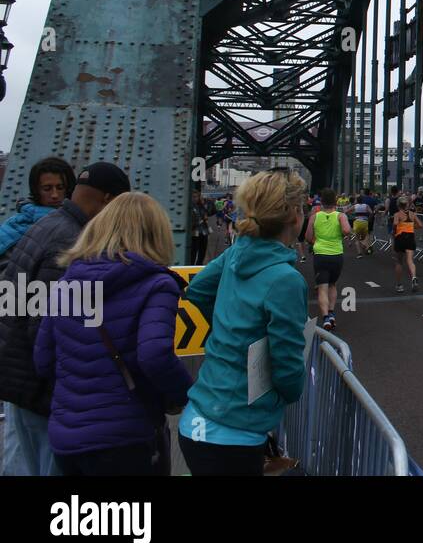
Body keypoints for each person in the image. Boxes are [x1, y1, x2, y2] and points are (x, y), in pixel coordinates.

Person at [34, 192, 192, 475]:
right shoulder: (156, 284)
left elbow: (43, 360)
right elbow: (154, 355)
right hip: (126, 436)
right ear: (155, 233)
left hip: (67, 438)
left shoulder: (68, 282)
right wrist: (185, 394)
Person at [0, 161, 131, 477]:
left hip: (19, 377)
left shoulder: (45, 225)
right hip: (43, 390)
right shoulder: (71, 242)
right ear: (108, 200)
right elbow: (48, 328)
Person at [179, 170, 309, 475]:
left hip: (197, 418)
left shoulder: (237, 251)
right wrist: (291, 390)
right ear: (292, 214)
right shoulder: (286, 280)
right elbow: (287, 365)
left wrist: (227, 331)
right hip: (234, 432)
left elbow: (197, 290)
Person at [0, 157, 75, 258]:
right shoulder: (17, 225)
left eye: (60, 188)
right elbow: (18, 272)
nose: (55, 195)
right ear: (36, 190)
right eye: (47, 189)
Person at [306, 188, 351, 330]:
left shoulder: (315, 216)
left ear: (321, 202)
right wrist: (341, 235)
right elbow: (347, 231)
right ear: (336, 201)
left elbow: (308, 237)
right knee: (332, 285)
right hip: (336, 254)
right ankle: (331, 313)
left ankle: (325, 317)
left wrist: (317, 243)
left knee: (322, 288)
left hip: (320, 254)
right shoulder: (340, 216)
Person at [391, 196, 422, 293]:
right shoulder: (412, 214)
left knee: (399, 261)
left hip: (400, 237)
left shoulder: (397, 214)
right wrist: (411, 227)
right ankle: (414, 277)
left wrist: (394, 231)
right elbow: (420, 225)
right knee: (410, 260)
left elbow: (395, 224)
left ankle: (399, 285)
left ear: (398, 205)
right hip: (410, 236)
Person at [188, 188, 211, 266]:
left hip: (203, 231)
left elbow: (212, 211)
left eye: (196, 197)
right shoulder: (189, 207)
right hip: (195, 232)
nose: (195, 198)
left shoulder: (201, 206)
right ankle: (191, 266)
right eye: (193, 197)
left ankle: (198, 265)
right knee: (193, 251)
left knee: (202, 251)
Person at [352, 188, 376, 258]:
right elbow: (373, 211)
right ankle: (368, 247)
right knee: (367, 235)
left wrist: (354, 214)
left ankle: (360, 252)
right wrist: (370, 218)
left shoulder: (357, 204)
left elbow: (347, 211)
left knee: (357, 238)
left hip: (357, 222)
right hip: (366, 221)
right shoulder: (369, 203)